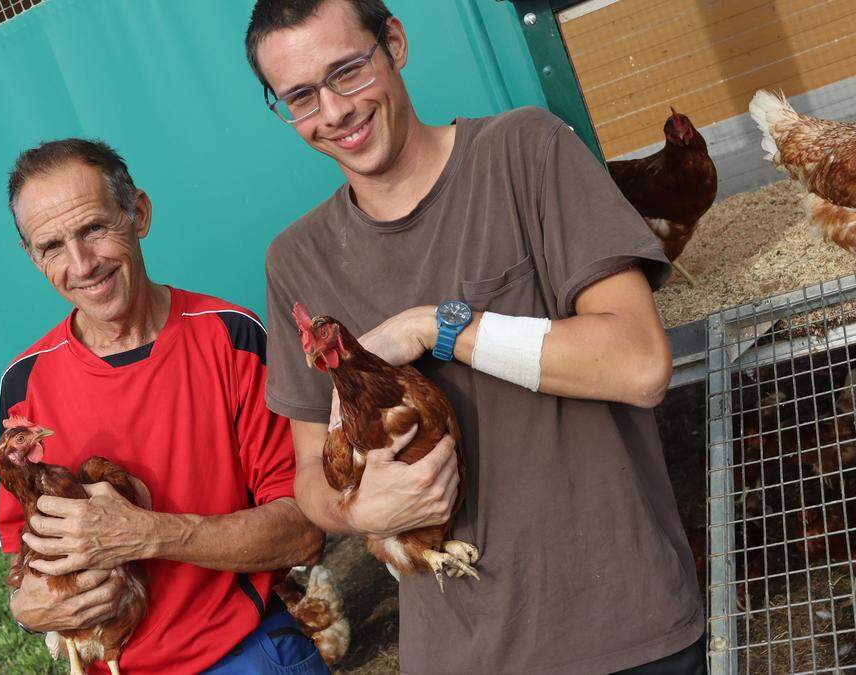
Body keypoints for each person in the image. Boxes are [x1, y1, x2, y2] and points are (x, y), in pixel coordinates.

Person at [245, 0, 706, 673]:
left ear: (394, 43)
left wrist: (437, 324)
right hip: (458, 652)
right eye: (301, 96)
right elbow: (309, 474)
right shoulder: (297, 260)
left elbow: (639, 363)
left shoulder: (526, 152)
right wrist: (356, 506)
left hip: (620, 628)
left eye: (346, 72)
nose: (335, 111)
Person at [0, 138, 327, 674]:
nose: (82, 265)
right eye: (52, 246)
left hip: (240, 653)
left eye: (94, 229)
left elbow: (305, 530)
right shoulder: (24, 382)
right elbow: (23, 550)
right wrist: (27, 608)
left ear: (139, 214)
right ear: (33, 258)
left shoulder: (231, 337)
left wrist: (147, 533)